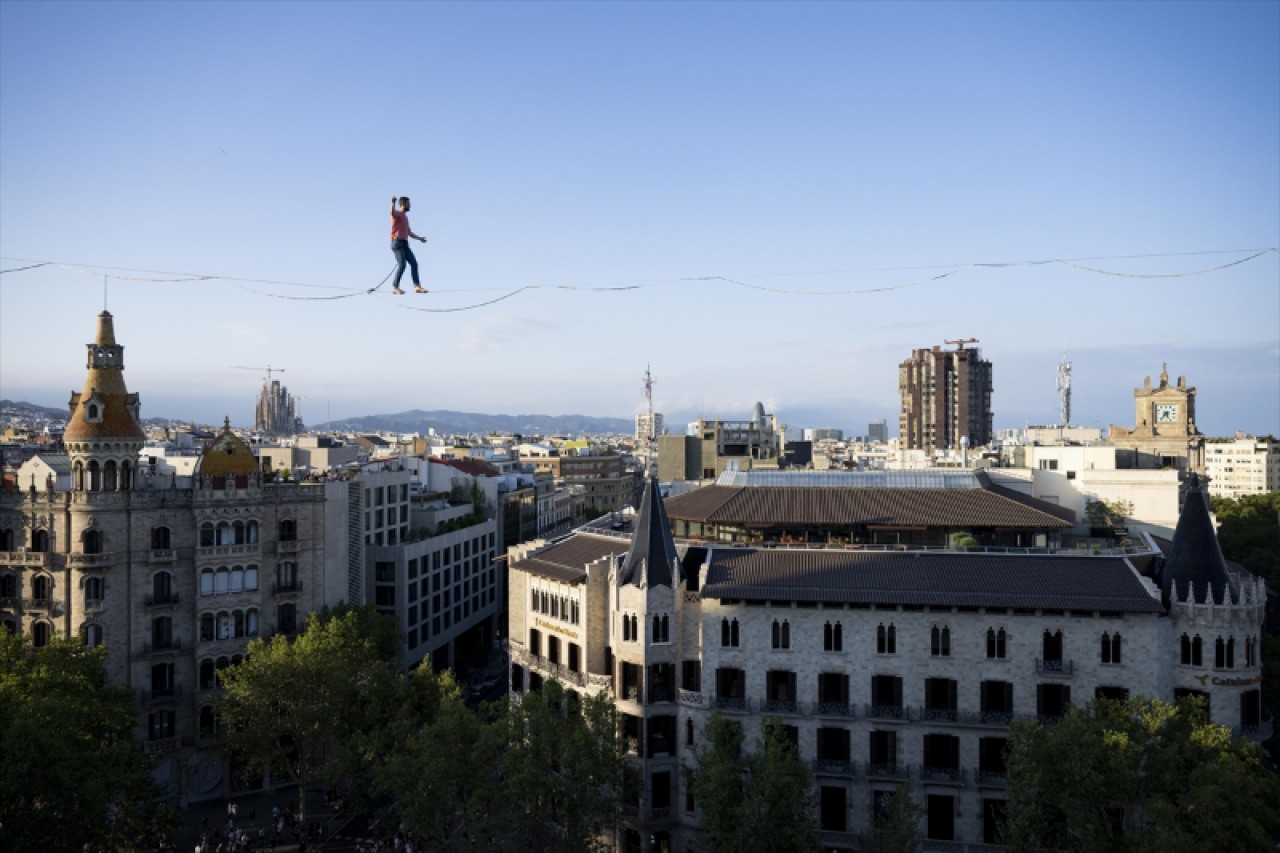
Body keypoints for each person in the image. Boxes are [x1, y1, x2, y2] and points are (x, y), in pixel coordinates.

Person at [389, 195, 428, 294]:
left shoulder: (405, 217)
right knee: (402, 265)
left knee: (414, 263)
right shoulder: (398, 214)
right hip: (397, 243)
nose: (410, 206)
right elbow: (391, 212)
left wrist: (420, 238)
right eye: (408, 204)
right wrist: (393, 202)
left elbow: (409, 233)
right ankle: (395, 287)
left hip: (405, 244)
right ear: (403, 204)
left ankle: (417, 286)